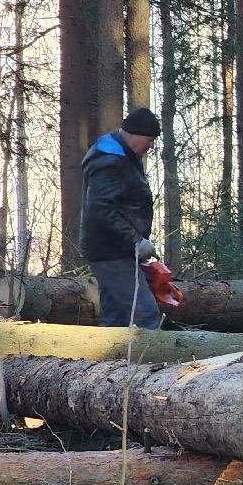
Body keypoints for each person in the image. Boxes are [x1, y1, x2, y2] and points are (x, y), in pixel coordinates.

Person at [81, 107, 164, 329]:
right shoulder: (110, 160)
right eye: (149, 140)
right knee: (145, 315)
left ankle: (108, 353)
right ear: (134, 135)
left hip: (116, 249)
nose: (151, 146)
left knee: (116, 320)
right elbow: (101, 209)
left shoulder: (122, 157)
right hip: (111, 251)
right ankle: (150, 353)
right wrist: (135, 240)